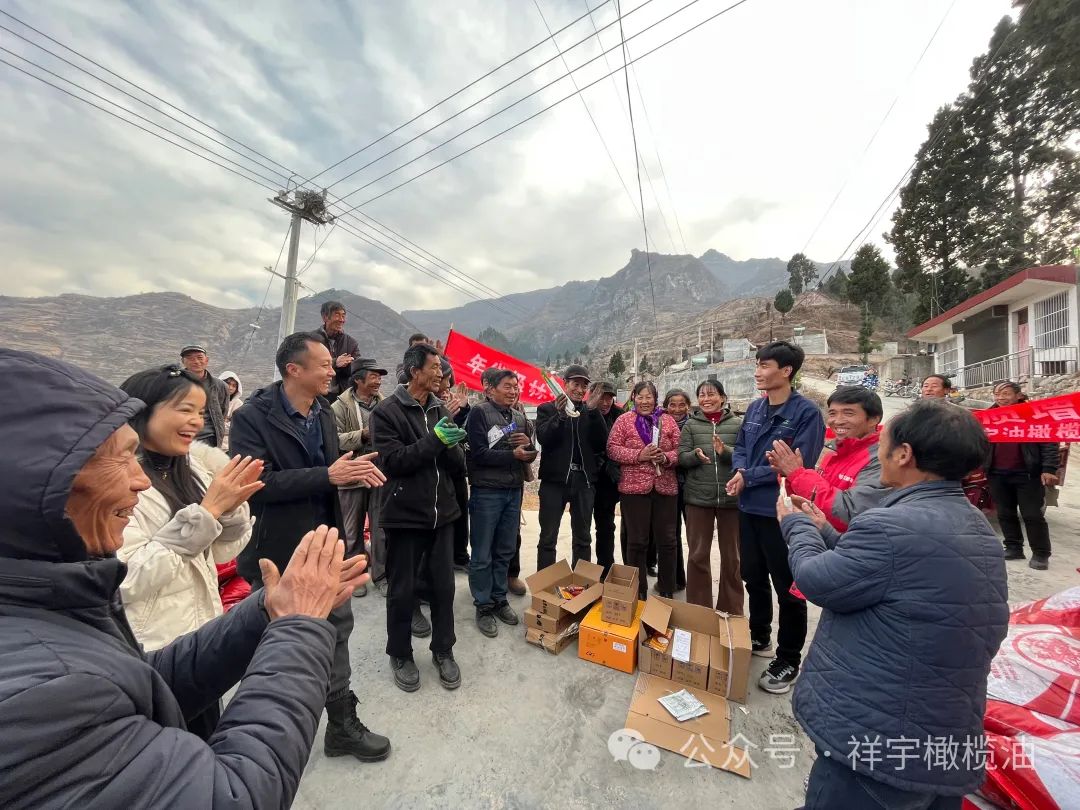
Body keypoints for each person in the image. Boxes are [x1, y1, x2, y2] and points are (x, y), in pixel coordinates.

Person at [0, 348, 369, 808]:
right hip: (160, 627)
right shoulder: (44, 689)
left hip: (195, 625)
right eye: (120, 457)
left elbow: (145, 679)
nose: (137, 480)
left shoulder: (193, 469)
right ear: (41, 484)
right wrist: (297, 628)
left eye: (200, 411)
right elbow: (231, 795)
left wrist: (266, 608)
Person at [778, 400, 1008, 809]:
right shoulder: (976, 527)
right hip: (940, 735)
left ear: (904, 454)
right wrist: (825, 530)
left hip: (879, 737)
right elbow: (881, 571)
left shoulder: (890, 524)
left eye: (882, 442)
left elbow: (819, 581)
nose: (877, 452)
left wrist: (794, 525)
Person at [230, 332, 391, 762]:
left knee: (336, 631)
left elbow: (330, 471)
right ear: (293, 370)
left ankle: (341, 725)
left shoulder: (321, 411)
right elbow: (255, 485)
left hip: (324, 546)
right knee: (277, 645)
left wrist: (344, 473)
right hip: (278, 554)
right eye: (323, 365)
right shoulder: (251, 418)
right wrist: (328, 476)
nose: (331, 372)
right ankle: (265, 740)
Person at [117, 365, 263, 739]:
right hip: (151, 648)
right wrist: (208, 512)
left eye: (200, 411)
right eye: (184, 410)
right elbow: (124, 579)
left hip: (198, 637)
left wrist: (230, 512)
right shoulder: (117, 482)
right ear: (142, 409)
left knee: (204, 735)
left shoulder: (193, 468)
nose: (197, 421)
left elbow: (218, 554)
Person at [727, 340, 824, 695]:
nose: (758, 371)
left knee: (788, 587)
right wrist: (741, 471)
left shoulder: (806, 414)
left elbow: (797, 464)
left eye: (764, 365)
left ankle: (788, 659)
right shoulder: (755, 408)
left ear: (786, 371)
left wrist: (748, 476)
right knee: (753, 576)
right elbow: (741, 446)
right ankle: (759, 635)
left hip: (782, 512)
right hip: (748, 508)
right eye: (757, 364)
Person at [371, 342, 466, 693]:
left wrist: (452, 445)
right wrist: (435, 441)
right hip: (405, 516)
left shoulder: (439, 408)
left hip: (442, 515)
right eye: (435, 367)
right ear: (415, 372)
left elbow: (456, 465)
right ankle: (400, 653)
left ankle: (443, 650)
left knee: (443, 588)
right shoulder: (387, 412)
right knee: (402, 590)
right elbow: (394, 463)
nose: (441, 373)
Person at [465, 367, 536, 638]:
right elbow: (478, 454)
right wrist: (512, 455)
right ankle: (483, 605)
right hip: (486, 492)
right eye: (507, 386)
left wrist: (528, 447)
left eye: (515, 386)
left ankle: (499, 598)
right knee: (482, 552)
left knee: (505, 549)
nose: (513, 391)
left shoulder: (518, 417)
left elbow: (529, 454)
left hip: (513, 491)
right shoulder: (479, 413)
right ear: (490, 389)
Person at [767, 385, 889, 532]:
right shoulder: (833, 452)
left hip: (847, 544)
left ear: (874, 419)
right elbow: (812, 500)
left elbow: (849, 512)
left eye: (848, 413)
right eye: (832, 413)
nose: (837, 421)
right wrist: (789, 477)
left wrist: (798, 474)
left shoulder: (881, 458)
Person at [606, 381, 682, 598]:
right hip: (634, 489)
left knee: (668, 540)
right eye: (640, 397)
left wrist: (666, 457)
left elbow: (681, 449)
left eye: (649, 397)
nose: (645, 401)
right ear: (633, 398)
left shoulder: (667, 420)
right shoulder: (624, 420)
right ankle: (638, 592)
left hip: (665, 487)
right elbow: (612, 449)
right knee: (637, 541)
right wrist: (639, 455)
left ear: (656, 399)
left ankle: (667, 588)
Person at [678, 379, 743, 613]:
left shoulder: (738, 424)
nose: (706, 399)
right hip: (698, 498)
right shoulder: (690, 425)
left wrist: (724, 452)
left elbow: (745, 457)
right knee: (697, 555)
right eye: (702, 395)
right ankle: (699, 610)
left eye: (711, 394)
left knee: (733, 558)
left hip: (731, 498)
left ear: (723, 398)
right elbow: (681, 457)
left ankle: (730, 609)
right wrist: (695, 456)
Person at [535, 364, 607, 569]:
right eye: (576, 384)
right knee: (548, 537)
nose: (580, 389)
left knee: (583, 537)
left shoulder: (589, 410)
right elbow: (544, 438)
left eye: (584, 386)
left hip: (584, 482)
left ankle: (582, 583)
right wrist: (560, 416)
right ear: (565, 384)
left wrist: (594, 412)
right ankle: (546, 583)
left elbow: (602, 443)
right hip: (554, 482)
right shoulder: (547, 409)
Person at [984, 381, 1059, 570]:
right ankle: (1013, 547)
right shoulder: (988, 416)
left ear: (1018, 395)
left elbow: (1049, 442)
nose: (1000, 398)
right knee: (1005, 513)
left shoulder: (1034, 415)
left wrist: (1049, 468)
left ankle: (1041, 554)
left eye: (1006, 394)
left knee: (1032, 515)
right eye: (997, 394)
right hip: (997, 472)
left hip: (1027, 474)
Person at [332, 357, 388, 598]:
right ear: (358, 380)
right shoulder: (339, 407)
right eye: (373, 376)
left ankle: (381, 575)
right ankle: (356, 576)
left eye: (379, 377)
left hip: (378, 475)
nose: (378, 381)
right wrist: (362, 435)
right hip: (352, 476)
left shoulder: (385, 404)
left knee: (380, 528)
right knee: (352, 530)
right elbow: (334, 440)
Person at [589, 380, 624, 577]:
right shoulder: (583, 412)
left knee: (606, 527)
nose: (605, 402)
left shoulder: (620, 415)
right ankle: (584, 572)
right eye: (601, 397)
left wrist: (613, 464)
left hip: (608, 481)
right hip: (586, 478)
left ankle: (606, 568)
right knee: (582, 530)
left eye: (609, 398)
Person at [662, 388, 691, 591]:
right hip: (669, 486)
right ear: (666, 407)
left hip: (692, 487)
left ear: (688, 406)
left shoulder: (695, 425)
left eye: (682, 405)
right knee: (672, 535)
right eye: (672, 405)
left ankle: (697, 583)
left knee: (695, 537)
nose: (677, 409)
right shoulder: (660, 425)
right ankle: (677, 579)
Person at [179, 345, 229, 448]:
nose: (196, 361)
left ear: (206, 360)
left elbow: (222, 412)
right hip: (181, 436)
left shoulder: (220, 386)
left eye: (199, 357)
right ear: (183, 361)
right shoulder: (174, 384)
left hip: (210, 438)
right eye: (190, 358)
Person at [315, 300, 360, 402]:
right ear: (325, 317)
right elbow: (308, 364)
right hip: (315, 394)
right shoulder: (311, 340)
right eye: (337, 315)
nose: (341, 320)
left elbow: (357, 370)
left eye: (343, 316)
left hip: (340, 396)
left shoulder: (351, 343)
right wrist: (335, 362)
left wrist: (349, 364)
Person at [219, 370, 244, 451]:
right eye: (228, 383)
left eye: (234, 385)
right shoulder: (210, 400)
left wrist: (218, 422)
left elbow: (236, 426)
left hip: (228, 446)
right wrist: (225, 420)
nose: (230, 387)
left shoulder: (238, 404)